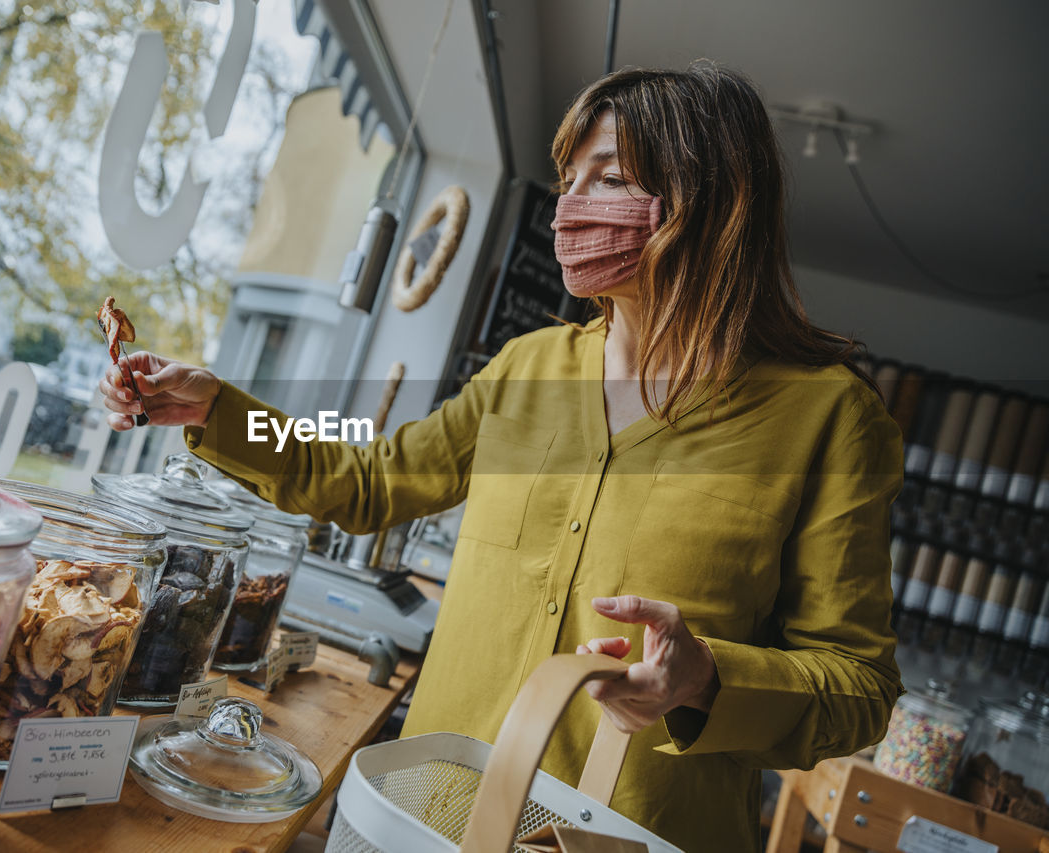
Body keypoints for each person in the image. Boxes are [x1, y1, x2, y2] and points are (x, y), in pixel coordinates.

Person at [101, 63, 903, 852]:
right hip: (425, 815)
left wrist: (705, 680)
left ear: (705, 204)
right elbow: (373, 478)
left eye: (610, 176)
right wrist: (219, 410)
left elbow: (859, 687)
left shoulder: (830, 419)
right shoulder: (530, 366)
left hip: (623, 837)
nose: (571, 205)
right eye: (568, 178)